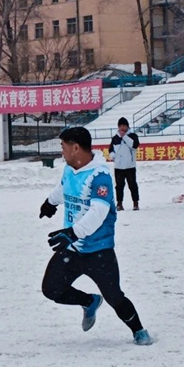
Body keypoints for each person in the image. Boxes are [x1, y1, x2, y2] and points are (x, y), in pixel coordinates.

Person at [39, 126, 152, 345]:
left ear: (75, 148)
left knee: (115, 296)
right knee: (51, 289)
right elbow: (64, 187)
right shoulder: (70, 169)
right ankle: (89, 301)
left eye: (63, 147)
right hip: (72, 249)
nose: (61, 152)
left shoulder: (100, 175)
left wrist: (72, 233)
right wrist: (50, 202)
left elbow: (98, 211)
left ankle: (139, 330)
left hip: (98, 250)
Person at [108, 117, 140, 211]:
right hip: (118, 166)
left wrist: (124, 136)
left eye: (124, 126)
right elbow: (111, 149)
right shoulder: (115, 138)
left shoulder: (133, 136)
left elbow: (134, 145)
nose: (122, 128)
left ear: (127, 127)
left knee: (132, 185)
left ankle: (135, 202)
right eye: (120, 126)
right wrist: (113, 156)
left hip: (130, 166)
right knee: (119, 186)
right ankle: (119, 203)